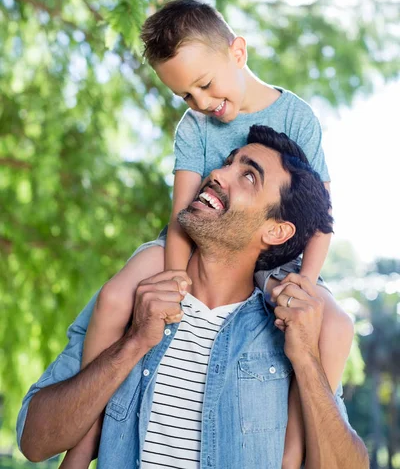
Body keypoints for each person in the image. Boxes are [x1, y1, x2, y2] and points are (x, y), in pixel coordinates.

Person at [17, 126, 368, 469]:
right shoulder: (138, 295)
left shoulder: (293, 330)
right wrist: (135, 342)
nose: (216, 173)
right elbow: (36, 442)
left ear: (275, 230)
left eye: (248, 176)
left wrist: (306, 358)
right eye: (228, 162)